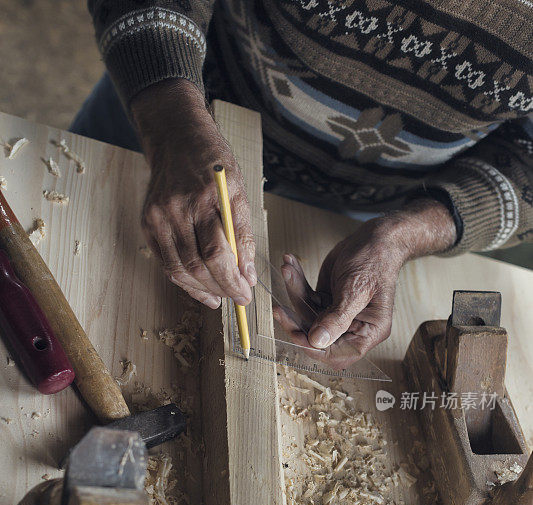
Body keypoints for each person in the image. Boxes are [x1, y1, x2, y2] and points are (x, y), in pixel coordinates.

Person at [73, 1, 532, 365]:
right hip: (178, 107)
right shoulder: (172, 121)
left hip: (369, 209)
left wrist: (403, 235)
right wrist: (170, 125)